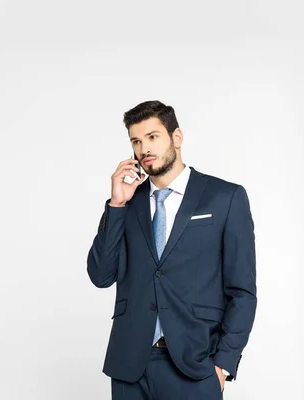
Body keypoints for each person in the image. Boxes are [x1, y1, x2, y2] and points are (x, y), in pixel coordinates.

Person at [87, 100, 257, 399]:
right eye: (136, 141)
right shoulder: (128, 203)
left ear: (176, 138)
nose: (144, 149)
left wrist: (223, 364)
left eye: (153, 137)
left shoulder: (224, 197)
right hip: (130, 367)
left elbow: (242, 291)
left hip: (195, 367)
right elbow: (101, 275)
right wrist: (116, 205)